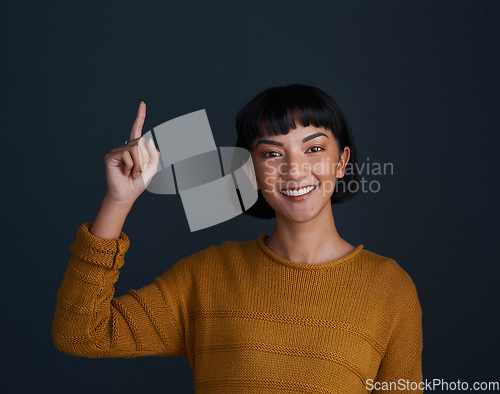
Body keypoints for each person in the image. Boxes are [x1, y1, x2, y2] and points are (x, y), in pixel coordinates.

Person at [52, 84, 423, 394]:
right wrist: (118, 201)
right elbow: (81, 333)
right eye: (273, 153)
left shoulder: (390, 289)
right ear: (251, 170)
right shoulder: (207, 275)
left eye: (313, 148)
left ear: (341, 162)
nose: (295, 170)